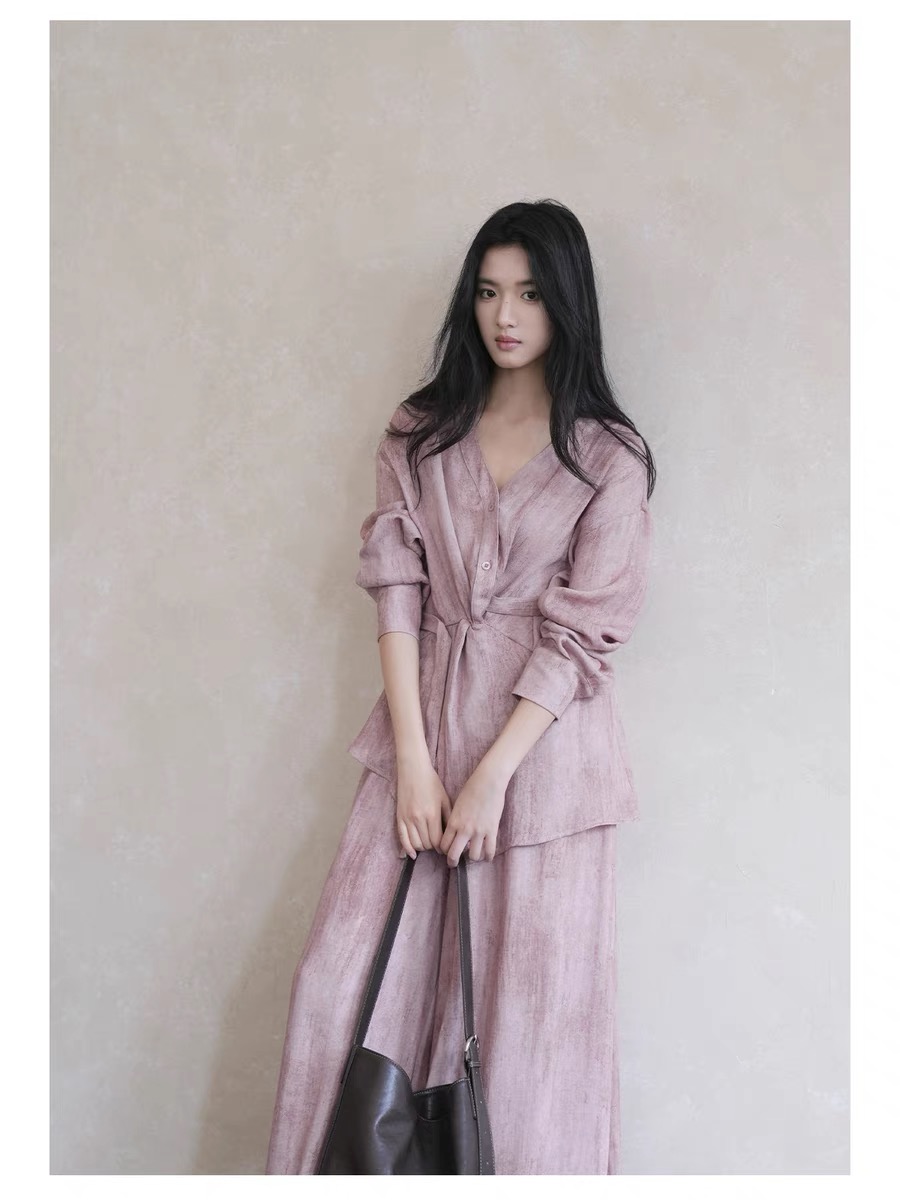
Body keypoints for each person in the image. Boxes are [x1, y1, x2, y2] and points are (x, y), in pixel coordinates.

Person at [265, 199, 656, 1175]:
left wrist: (491, 777)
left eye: (529, 293)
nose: (504, 315)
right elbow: (396, 587)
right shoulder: (421, 432)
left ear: (566, 303)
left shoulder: (609, 458)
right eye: (487, 291)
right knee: (337, 995)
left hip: (544, 774)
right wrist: (413, 759)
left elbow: (585, 632)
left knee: (526, 1042)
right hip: (419, 745)